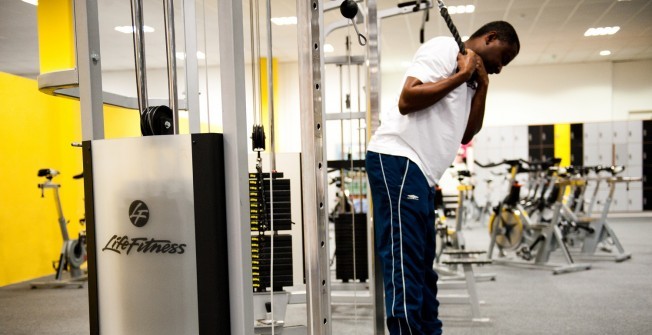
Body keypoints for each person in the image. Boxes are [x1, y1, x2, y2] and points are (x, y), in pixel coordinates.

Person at [365, 21, 520, 334]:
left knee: (424, 269)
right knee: (405, 266)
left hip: (421, 173)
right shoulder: (444, 48)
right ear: (490, 38)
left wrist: (481, 85)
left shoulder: (474, 81)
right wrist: (461, 75)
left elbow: (467, 134)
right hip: (399, 158)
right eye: (502, 58)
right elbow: (407, 99)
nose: (501, 67)